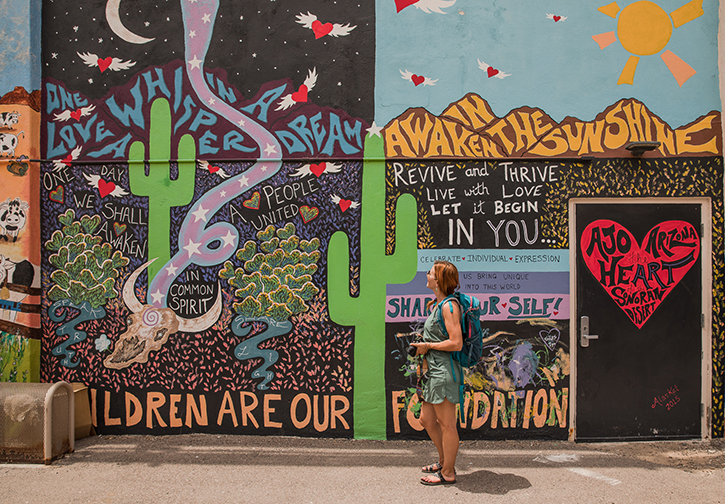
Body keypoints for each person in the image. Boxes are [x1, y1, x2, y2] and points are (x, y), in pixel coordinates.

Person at [410, 260, 463, 485]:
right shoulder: (437, 305)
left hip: (443, 372)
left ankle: (448, 473)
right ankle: (443, 461)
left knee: (447, 424)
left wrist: (428, 346)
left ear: (438, 280)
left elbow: (456, 342)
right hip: (432, 372)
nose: (427, 274)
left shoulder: (449, 307)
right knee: (426, 419)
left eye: (431, 273)